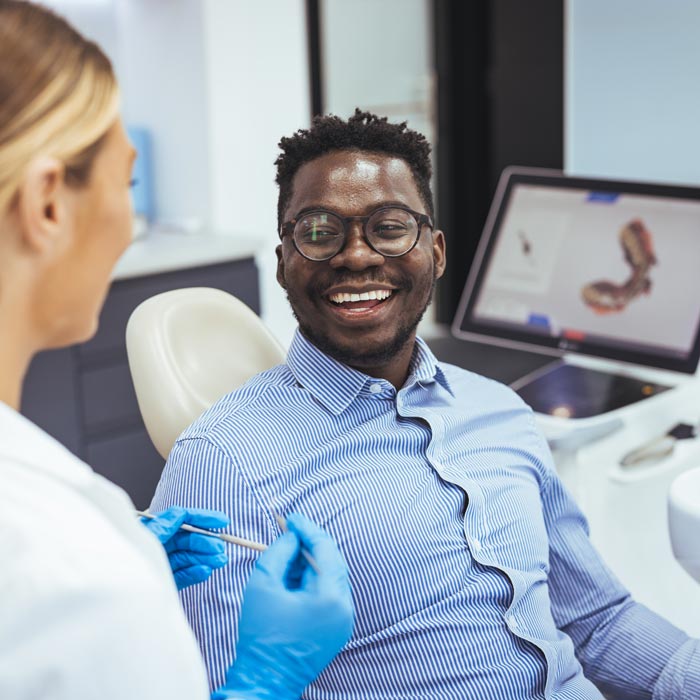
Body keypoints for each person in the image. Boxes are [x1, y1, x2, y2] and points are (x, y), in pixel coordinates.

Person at [152, 108, 700, 699]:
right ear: (285, 263)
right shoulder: (223, 462)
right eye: (318, 231)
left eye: (389, 227)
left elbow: (598, 621)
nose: (356, 256)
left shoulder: (500, 412)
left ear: (435, 252)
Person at [0, 2, 353, 699]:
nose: (130, 225)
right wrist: (261, 684)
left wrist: (131, 552)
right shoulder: (66, 565)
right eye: (125, 184)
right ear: (47, 203)